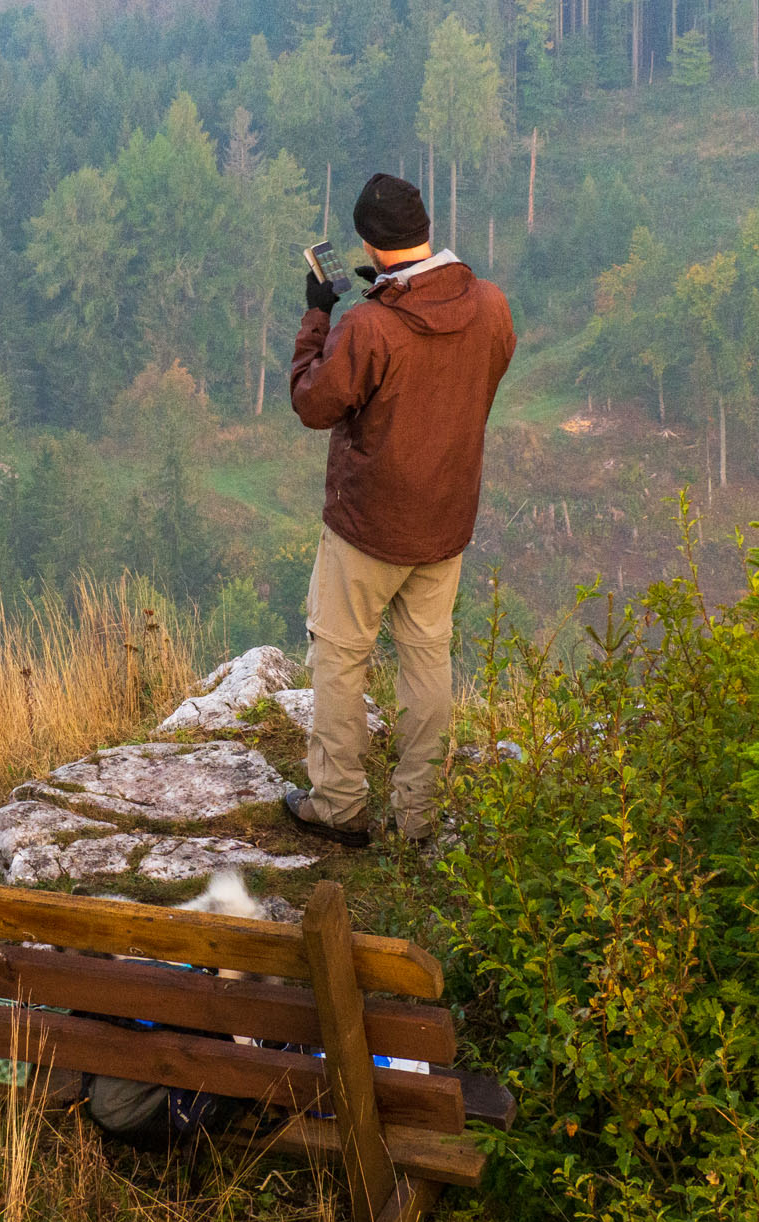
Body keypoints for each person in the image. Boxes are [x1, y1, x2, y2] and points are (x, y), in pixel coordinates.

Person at [281, 173, 516, 848]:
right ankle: (418, 816)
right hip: (445, 522)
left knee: (340, 656)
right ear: (425, 233)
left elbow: (313, 403)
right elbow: (477, 380)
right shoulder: (492, 307)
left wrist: (317, 316)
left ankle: (339, 805)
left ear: (367, 244)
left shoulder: (370, 327)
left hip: (368, 526)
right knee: (426, 660)